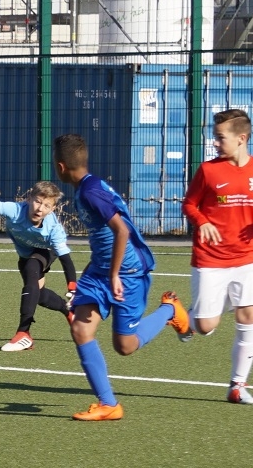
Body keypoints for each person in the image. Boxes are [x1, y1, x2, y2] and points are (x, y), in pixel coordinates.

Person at [53, 134, 192, 421]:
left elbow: (122, 231)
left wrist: (115, 273)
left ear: (61, 166)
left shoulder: (90, 192)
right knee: (80, 330)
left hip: (127, 273)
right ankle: (109, 404)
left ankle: (170, 310)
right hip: (99, 270)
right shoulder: (85, 188)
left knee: (125, 346)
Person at [181, 109, 253, 405]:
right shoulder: (208, 170)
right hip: (210, 258)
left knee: (249, 314)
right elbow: (189, 205)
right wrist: (203, 222)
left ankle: (237, 386)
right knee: (206, 327)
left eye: (220, 137)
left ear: (241, 138)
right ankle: (181, 316)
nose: (215, 143)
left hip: (246, 257)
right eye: (215, 137)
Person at [0, 181, 79, 351]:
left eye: (47, 205)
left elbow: (66, 259)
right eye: (38, 201)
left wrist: (73, 288)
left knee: (32, 268)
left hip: (46, 252)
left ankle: (24, 333)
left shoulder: (54, 229)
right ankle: (68, 311)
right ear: (29, 199)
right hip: (25, 255)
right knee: (38, 295)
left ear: (52, 209)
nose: (40, 208)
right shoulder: (16, 210)